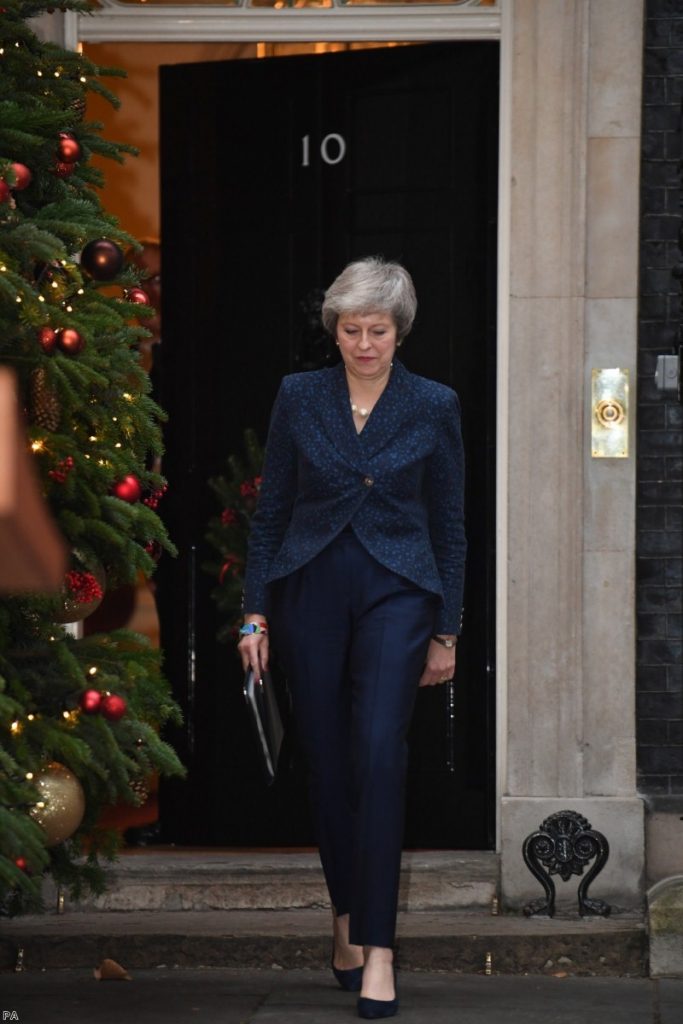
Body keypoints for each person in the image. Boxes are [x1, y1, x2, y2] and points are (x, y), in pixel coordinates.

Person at [238, 257, 466, 1020]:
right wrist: (255, 612)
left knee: (377, 752)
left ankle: (378, 952)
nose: (362, 344)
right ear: (332, 330)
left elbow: (449, 524)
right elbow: (270, 512)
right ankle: (342, 919)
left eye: (376, 330)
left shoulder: (434, 404)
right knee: (330, 764)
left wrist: (447, 630)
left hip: (399, 592)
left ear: (398, 333)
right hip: (311, 591)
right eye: (348, 330)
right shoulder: (298, 397)